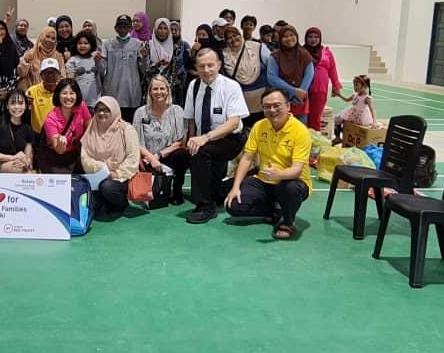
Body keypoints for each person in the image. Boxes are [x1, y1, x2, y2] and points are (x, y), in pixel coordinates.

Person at [224, 88, 312, 240]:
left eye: (277, 105)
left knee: (290, 189)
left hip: (292, 181)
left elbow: (297, 170)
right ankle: (276, 209)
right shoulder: (259, 126)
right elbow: (247, 158)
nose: (272, 110)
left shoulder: (300, 131)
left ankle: (287, 221)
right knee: (233, 206)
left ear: (288, 106)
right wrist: (235, 187)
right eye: (267, 106)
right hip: (264, 179)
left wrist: (279, 174)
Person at [183, 48, 249, 224]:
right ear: (196, 67)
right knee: (195, 151)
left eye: (210, 65)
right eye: (201, 66)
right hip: (206, 138)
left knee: (201, 151)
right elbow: (191, 118)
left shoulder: (231, 86)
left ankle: (205, 206)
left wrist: (204, 138)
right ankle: (218, 192)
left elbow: (233, 122)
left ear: (219, 65)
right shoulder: (193, 86)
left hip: (231, 138)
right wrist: (191, 139)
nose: (206, 70)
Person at [80, 96, 141, 220]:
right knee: (89, 204)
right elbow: (84, 157)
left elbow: (133, 158)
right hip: (96, 176)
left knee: (107, 187)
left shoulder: (126, 130)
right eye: (98, 110)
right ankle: (104, 202)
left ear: (114, 110)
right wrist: (103, 167)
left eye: (106, 110)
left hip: (121, 178)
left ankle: (121, 204)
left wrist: (116, 173)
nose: (101, 113)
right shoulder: (91, 129)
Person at [133, 75, 187, 206]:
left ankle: (177, 191)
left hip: (167, 156)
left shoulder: (177, 111)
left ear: (168, 91)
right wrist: (151, 158)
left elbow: (179, 141)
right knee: (152, 198)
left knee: (182, 154)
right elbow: (136, 142)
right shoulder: (140, 112)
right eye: (155, 89)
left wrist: (158, 155)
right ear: (150, 92)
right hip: (146, 158)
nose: (159, 92)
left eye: (162, 88)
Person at [101, 14, 148, 122]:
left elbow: (144, 70)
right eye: (120, 26)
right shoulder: (107, 44)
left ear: (130, 28)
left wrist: (144, 57)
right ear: (115, 28)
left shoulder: (138, 44)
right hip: (112, 91)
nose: (123, 29)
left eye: (126, 26)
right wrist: (98, 62)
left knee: (129, 126)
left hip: (131, 92)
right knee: (111, 124)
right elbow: (102, 70)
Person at [222, 26, 270, 128]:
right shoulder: (224, 55)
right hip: (240, 103)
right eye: (229, 38)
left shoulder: (257, 47)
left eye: (235, 35)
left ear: (240, 35)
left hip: (261, 100)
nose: (233, 39)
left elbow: (272, 68)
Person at [40, 78, 91, 174]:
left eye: (72, 93)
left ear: (77, 95)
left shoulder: (82, 106)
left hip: (76, 155)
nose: (68, 97)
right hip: (56, 159)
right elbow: (59, 151)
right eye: (64, 93)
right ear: (58, 95)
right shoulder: (50, 119)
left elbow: (89, 127)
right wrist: (61, 143)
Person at [267, 25, 314, 125]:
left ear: (296, 36)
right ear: (280, 39)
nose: (289, 38)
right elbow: (272, 78)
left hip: (299, 102)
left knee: (299, 129)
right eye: (285, 36)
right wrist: (294, 91)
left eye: (291, 35)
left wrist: (300, 95)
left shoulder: (304, 54)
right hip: (280, 99)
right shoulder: (275, 56)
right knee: (280, 128)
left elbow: (309, 74)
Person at [0, 89, 35, 173]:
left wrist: (27, 161)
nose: (16, 107)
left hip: (18, 164)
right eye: (13, 103)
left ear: (25, 106)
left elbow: (28, 157)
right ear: (7, 106)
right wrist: (13, 158)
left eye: (20, 103)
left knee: (26, 170)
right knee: (21, 171)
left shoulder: (28, 128)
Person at [304, 27, 343, 132]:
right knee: (302, 117)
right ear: (306, 38)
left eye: (316, 37)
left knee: (315, 117)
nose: (313, 39)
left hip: (320, 90)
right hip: (303, 90)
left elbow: (333, 70)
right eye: (310, 37)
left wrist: (336, 86)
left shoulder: (326, 52)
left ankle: (314, 139)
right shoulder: (301, 51)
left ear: (320, 38)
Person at [144, 18, 182, 106]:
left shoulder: (175, 48)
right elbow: (143, 70)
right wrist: (157, 65)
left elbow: (177, 72)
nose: (162, 31)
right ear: (155, 29)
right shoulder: (147, 45)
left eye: (165, 28)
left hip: (169, 90)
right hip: (150, 89)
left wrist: (167, 87)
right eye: (160, 28)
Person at [17, 26, 65, 91]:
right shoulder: (30, 54)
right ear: (41, 37)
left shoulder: (58, 57)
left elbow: (62, 78)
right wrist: (26, 61)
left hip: (51, 93)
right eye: (47, 36)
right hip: (32, 93)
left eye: (53, 38)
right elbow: (21, 74)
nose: (50, 40)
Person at [66, 31, 103, 109]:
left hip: (94, 100)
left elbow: (102, 74)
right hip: (78, 101)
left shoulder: (95, 58)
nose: (82, 46)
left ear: (91, 45)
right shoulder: (72, 60)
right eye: (79, 43)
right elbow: (70, 82)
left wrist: (98, 62)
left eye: (86, 43)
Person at [333, 75, 376, 142]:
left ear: (364, 86)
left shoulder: (367, 98)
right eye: (354, 85)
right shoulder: (355, 94)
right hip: (352, 113)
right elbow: (347, 100)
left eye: (356, 85)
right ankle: (338, 137)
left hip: (360, 116)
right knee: (337, 119)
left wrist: (374, 121)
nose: (354, 87)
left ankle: (342, 134)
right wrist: (339, 95)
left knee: (340, 121)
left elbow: (372, 110)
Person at [26, 58, 62, 134]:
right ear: (41, 75)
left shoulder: (63, 92)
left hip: (59, 133)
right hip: (37, 134)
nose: (50, 76)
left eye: (53, 73)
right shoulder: (31, 92)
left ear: (59, 75)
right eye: (47, 73)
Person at [169, 20, 189, 107]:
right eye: (171, 30)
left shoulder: (185, 45)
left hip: (181, 80)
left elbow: (188, 61)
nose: (173, 32)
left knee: (179, 104)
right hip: (167, 79)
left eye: (175, 30)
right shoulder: (165, 45)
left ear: (179, 31)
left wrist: (182, 69)